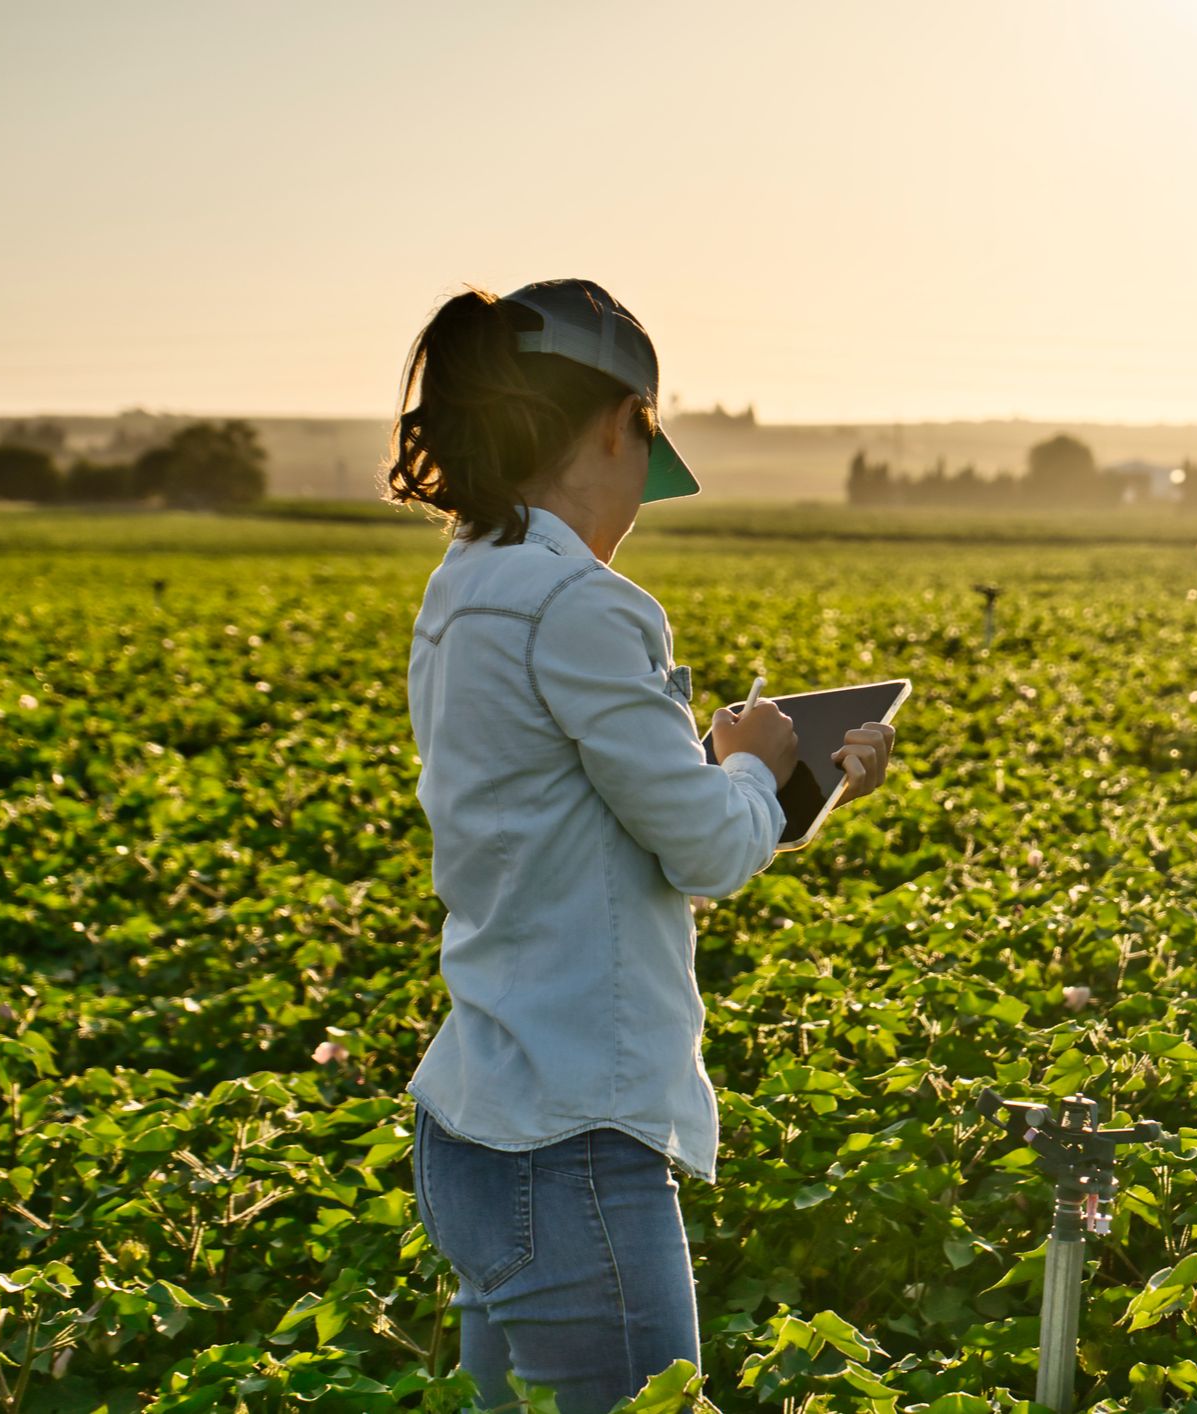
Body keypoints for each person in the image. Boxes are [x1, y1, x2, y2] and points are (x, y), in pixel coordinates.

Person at [384, 278, 895, 1412]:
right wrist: (757, 761)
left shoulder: (463, 586)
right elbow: (707, 853)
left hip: (479, 1121)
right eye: (641, 465)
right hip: (571, 1142)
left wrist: (769, 787)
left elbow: (613, 838)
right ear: (619, 425)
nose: (635, 506)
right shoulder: (590, 603)